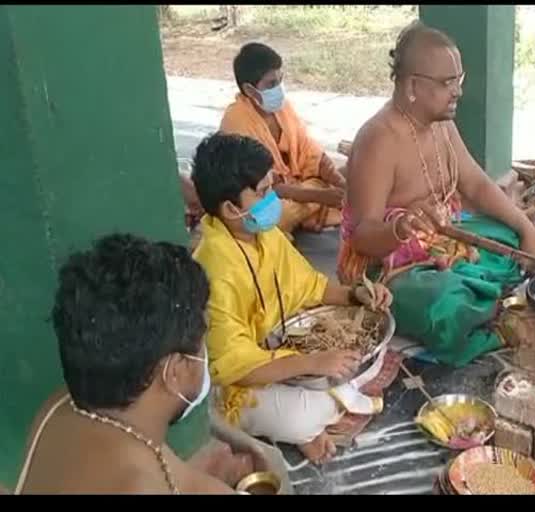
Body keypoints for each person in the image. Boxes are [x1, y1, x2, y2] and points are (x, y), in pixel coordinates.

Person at [338, 21, 535, 367]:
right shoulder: (379, 138)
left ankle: (481, 294)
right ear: (413, 86)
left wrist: (528, 229)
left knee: (509, 236)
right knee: (444, 305)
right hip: (387, 269)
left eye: (459, 80)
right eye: (448, 83)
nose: (459, 92)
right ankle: (483, 312)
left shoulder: (442, 123)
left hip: (440, 242)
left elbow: (476, 184)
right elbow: (362, 236)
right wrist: (399, 229)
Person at [191, 132, 392, 465]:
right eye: (264, 192)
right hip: (231, 387)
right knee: (312, 411)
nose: (274, 200)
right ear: (230, 208)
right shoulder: (214, 268)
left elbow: (309, 287)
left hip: (275, 351)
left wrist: (357, 295)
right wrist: (311, 364)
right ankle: (304, 431)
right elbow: (231, 366)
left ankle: (307, 419)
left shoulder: (263, 234)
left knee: (362, 361)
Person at [16, 234, 236, 494]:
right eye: (202, 340)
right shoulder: (139, 486)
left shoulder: (66, 407)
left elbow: (184, 479)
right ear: (173, 371)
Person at [219, 42, 346, 238]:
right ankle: (314, 209)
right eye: (271, 84)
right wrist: (321, 196)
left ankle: (313, 208)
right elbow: (264, 186)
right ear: (250, 90)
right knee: (277, 216)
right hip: (262, 198)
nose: (279, 88)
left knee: (354, 170)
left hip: (298, 186)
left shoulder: (283, 107)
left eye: (280, 80)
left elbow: (311, 151)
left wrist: (341, 183)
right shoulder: (235, 120)